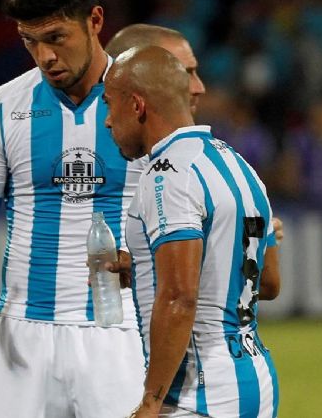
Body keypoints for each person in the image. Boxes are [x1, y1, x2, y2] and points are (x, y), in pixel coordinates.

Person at [0, 0, 146, 416]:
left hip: (120, 328)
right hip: (22, 336)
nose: (44, 56)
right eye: (30, 41)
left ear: (95, 20)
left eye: (56, 37)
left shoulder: (142, 102)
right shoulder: (3, 106)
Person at [104, 45, 279, 417]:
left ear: (136, 105)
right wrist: (143, 269)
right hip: (256, 379)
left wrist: (151, 400)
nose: (106, 121)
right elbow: (268, 282)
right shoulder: (239, 164)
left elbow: (179, 297)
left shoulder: (168, 175)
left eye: (109, 104)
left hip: (200, 393)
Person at [105, 24, 282, 300]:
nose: (198, 87)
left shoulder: (196, 161)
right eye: (182, 72)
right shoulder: (83, 154)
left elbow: (264, 280)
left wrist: (233, 237)